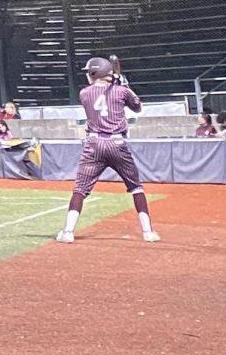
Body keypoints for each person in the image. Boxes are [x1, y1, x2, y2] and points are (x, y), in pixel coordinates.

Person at [56, 57, 160, 244]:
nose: (87, 75)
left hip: (94, 144)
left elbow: (102, 95)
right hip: (117, 143)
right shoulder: (121, 91)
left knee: (80, 189)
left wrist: (118, 85)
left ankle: (68, 232)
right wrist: (125, 86)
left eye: (89, 72)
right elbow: (137, 107)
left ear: (95, 73)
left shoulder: (85, 93)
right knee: (136, 187)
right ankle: (148, 232)